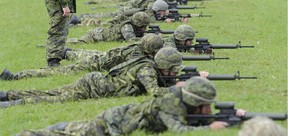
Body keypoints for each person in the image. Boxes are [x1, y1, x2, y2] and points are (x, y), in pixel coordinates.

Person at [17, 77, 246, 135]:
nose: (208, 110)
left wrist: (233, 117)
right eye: (206, 106)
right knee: (65, 132)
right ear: (194, 102)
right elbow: (179, 129)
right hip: (108, 125)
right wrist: (210, 129)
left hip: (117, 121)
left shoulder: (182, 103)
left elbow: (196, 118)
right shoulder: (169, 106)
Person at [0, 47, 186, 108]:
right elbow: (155, 92)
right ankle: (10, 103)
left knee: (50, 92)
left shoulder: (148, 67)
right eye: (174, 69)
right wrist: (178, 88)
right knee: (53, 99)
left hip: (93, 82)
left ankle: (7, 95)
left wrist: (175, 82)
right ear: (165, 66)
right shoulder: (147, 70)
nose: (176, 72)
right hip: (92, 88)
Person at [0, 34, 163, 80]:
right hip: (95, 65)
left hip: (101, 59)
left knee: (84, 53)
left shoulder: (138, 48)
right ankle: (16, 76)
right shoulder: (136, 54)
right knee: (58, 73)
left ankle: (66, 52)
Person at [67, 12, 150, 44]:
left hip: (99, 34)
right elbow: (131, 40)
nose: (144, 29)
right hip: (95, 35)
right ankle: (64, 41)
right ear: (137, 24)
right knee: (79, 43)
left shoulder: (133, 27)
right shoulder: (127, 27)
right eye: (143, 26)